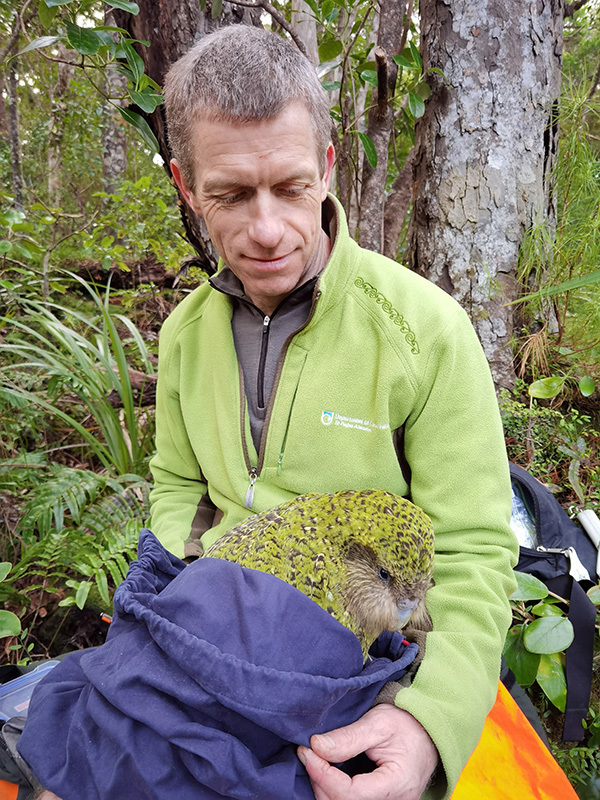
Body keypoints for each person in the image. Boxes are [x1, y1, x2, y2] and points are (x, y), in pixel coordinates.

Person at [147, 24, 519, 800]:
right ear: (186, 186)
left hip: (366, 652)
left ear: (326, 165)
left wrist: (429, 725)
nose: (268, 229)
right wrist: (157, 607)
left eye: (289, 187)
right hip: (218, 624)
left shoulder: (425, 331)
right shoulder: (184, 336)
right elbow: (177, 492)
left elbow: (476, 551)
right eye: (229, 195)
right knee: (69, 762)